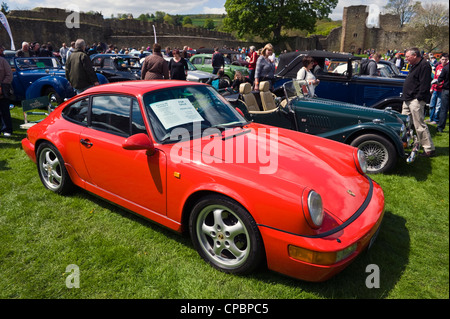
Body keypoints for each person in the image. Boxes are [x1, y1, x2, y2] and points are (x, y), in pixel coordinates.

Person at [402, 47, 435, 157]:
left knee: (419, 124)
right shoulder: (414, 65)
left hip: (415, 100)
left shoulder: (424, 65)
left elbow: (424, 84)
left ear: (414, 55)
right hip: (407, 99)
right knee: (404, 124)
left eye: (407, 56)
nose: (406, 59)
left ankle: (428, 148)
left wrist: (418, 98)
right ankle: (406, 144)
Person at [427, 53, 449, 124]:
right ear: (440, 59)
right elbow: (435, 78)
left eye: (446, 59)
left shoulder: (447, 68)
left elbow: (445, 80)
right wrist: (432, 87)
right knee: (432, 104)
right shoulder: (438, 67)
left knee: (438, 106)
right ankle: (431, 118)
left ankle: (436, 119)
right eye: (442, 59)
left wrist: (440, 84)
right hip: (435, 88)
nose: (444, 61)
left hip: (442, 89)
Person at [0, 45, 13, 137]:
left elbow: (9, 75)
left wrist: (2, 86)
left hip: (2, 91)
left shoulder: (2, 61)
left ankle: (7, 129)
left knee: (4, 110)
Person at [437, 62, 449, 133]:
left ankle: (440, 127)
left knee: (444, 110)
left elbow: (440, 79)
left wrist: (439, 82)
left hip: (446, 90)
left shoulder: (446, 68)